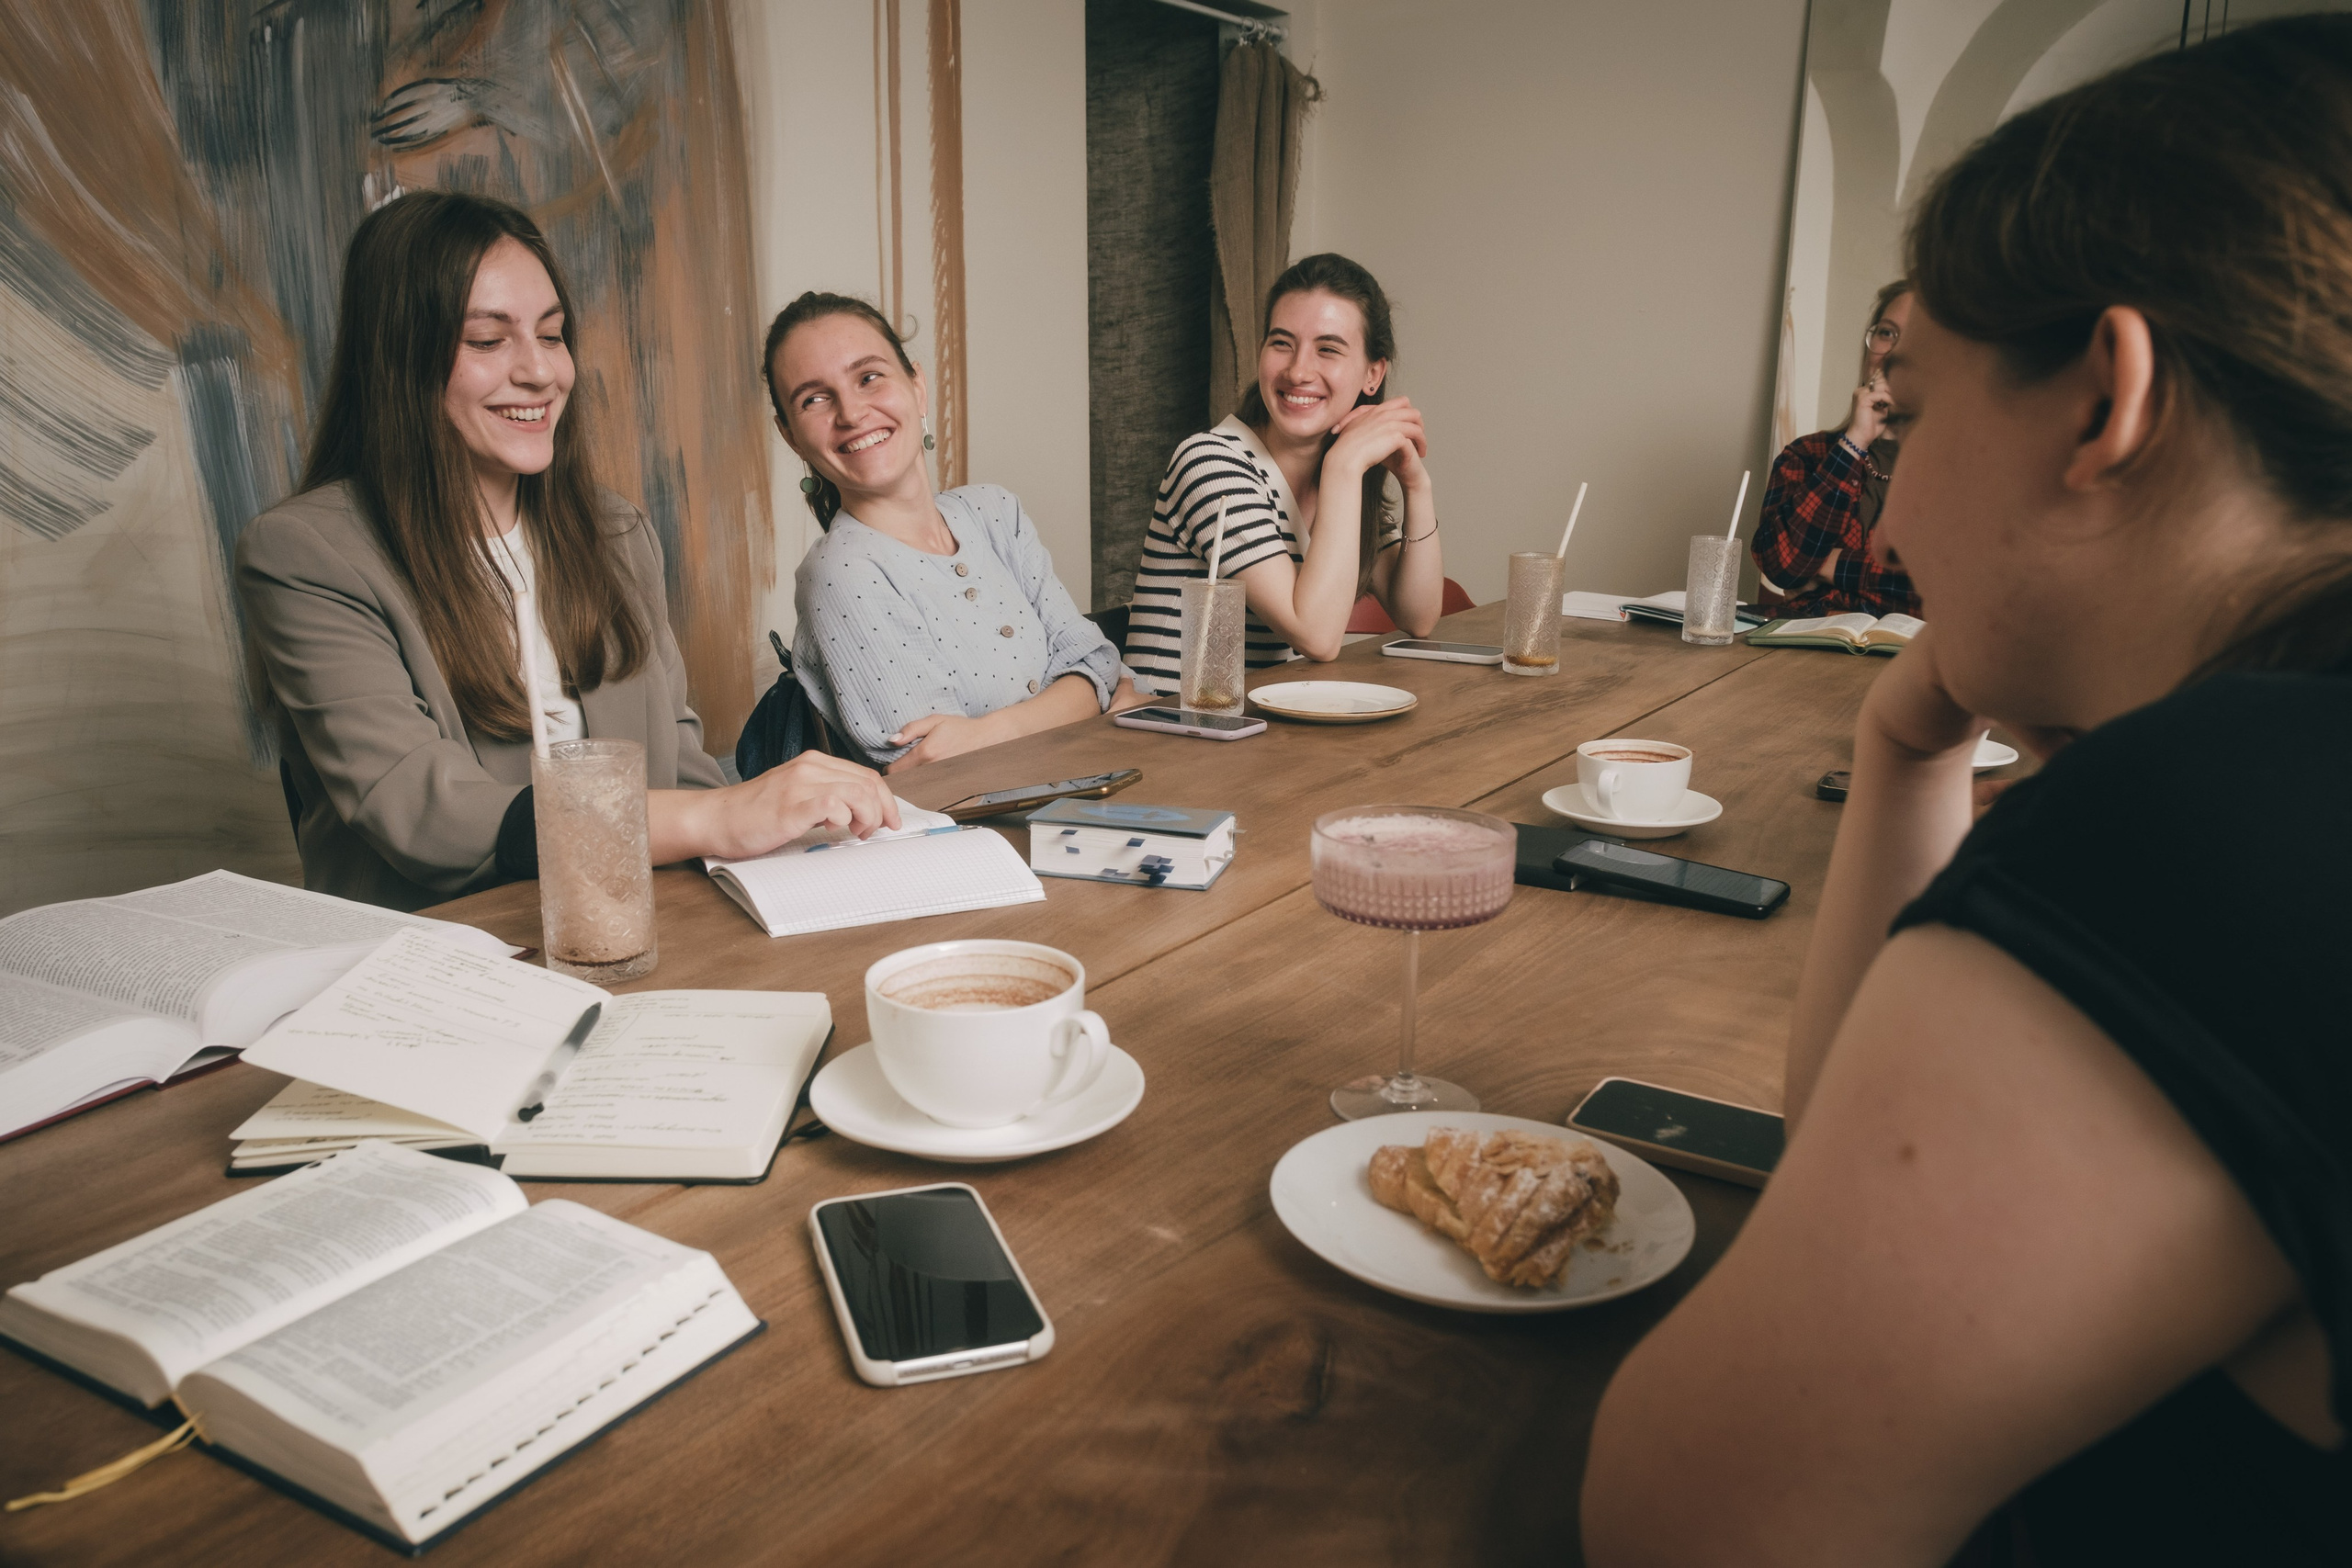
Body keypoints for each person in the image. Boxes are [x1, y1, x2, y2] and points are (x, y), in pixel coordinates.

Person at [1583, 18, 2352, 1565]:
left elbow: (1690, 1523)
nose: (1891, 501)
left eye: (1916, 411)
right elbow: (1851, 1166)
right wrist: (1908, 743)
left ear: (2101, 403)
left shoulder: (2208, 810)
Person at [237, 193, 896, 911]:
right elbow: (420, 809)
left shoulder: (617, 535)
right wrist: (724, 815)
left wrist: (787, 838)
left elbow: (681, 778)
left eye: (551, 336)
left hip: (637, 934)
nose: (542, 373)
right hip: (442, 960)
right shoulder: (306, 553)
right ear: (400, 358)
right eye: (488, 341)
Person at [767, 292, 1139, 772]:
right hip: (990, 839)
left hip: (1103, 797)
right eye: (814, 399)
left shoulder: (995, 512)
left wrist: (988, 732)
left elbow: (1097, 659)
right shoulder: (839, 574)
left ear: (917, 386)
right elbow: (938, 770)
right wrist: (1091, 698)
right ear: (790, 434)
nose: (852, 412)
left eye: (869, 377)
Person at [1123, 254, 1444, 690]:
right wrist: (1344, 468)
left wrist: (1416, 484)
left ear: (1373, 373)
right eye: (1281, 343)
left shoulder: (1340, 475)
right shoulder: (1210, 463)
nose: (1297, 370)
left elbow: (1419, 616)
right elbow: (1317, 636)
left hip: (1263, 736)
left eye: (1327, 349)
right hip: (1172, 730)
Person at [1750, 280, 1924, 618]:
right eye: (1887, 333)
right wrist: (1853, 443)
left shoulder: (1966, 471)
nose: (1895, 353)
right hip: (1803, 653)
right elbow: (1783, 565)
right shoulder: (1807, 455)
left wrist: (1830, 564)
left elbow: (1951, 588)